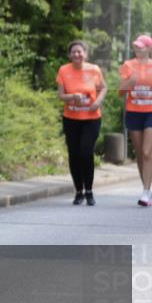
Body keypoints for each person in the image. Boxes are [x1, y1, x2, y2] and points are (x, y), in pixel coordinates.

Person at [56, 40, 106, 205]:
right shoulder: (64, 70)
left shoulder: (94, 70)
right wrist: (71, 97)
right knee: (74, 154)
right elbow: (61, 95)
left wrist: (97, 102)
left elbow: (103, 88)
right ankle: (79, 191)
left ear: (85, 54)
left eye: (80, 52)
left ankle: (89, 191)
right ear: (70, 55)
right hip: (71, 118)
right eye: (74, 52)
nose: (77, 55)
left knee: (86, 152)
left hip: (91, 118)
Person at [119, 34, 152, 207]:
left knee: (147, 152)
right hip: (134, 112)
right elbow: (120, 91)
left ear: (149, 48)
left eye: (141, 47)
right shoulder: (128, 65)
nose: (138, 49)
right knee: (140, 153)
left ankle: (146, 193)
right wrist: (130, 82)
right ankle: (146, 187)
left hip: (151, 113)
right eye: (136, 47)